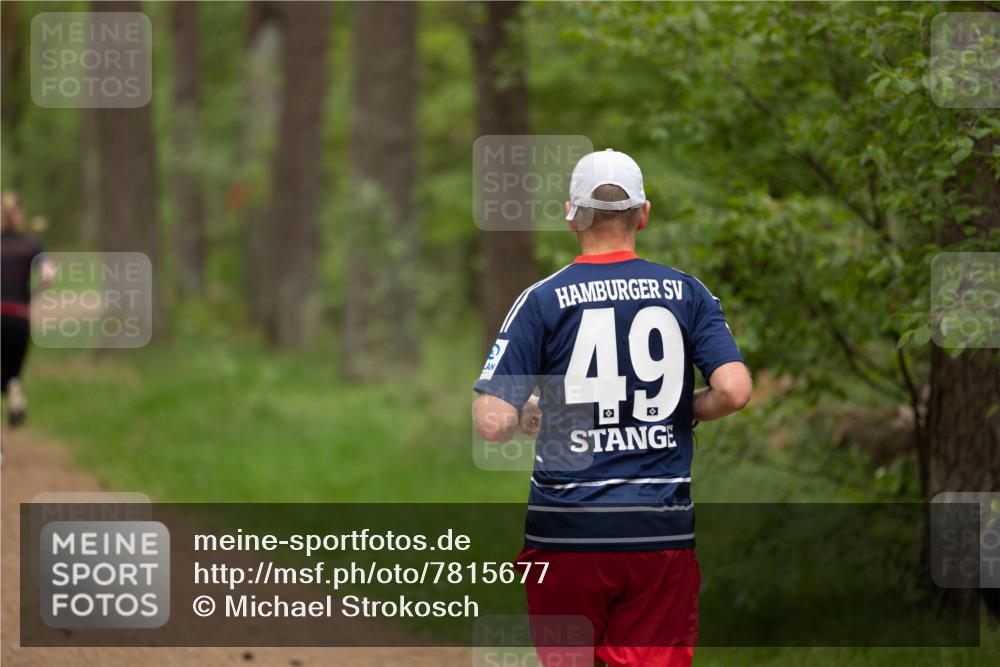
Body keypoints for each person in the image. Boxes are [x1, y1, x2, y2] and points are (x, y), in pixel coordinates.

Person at [473, 150, 752, 667]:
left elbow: (493, 421)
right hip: (658, 534)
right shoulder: (687, 293)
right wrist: (682, 407)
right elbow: (734, 390)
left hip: (565, 535)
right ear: (643, 214)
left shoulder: (541, 300)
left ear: (571, 215)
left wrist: (543, 415)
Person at [1, 192, 54, 426]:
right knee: (13, 371)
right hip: (20, 317)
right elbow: (49, 274)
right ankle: (14, 389)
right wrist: (31, 296)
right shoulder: (31, 244)